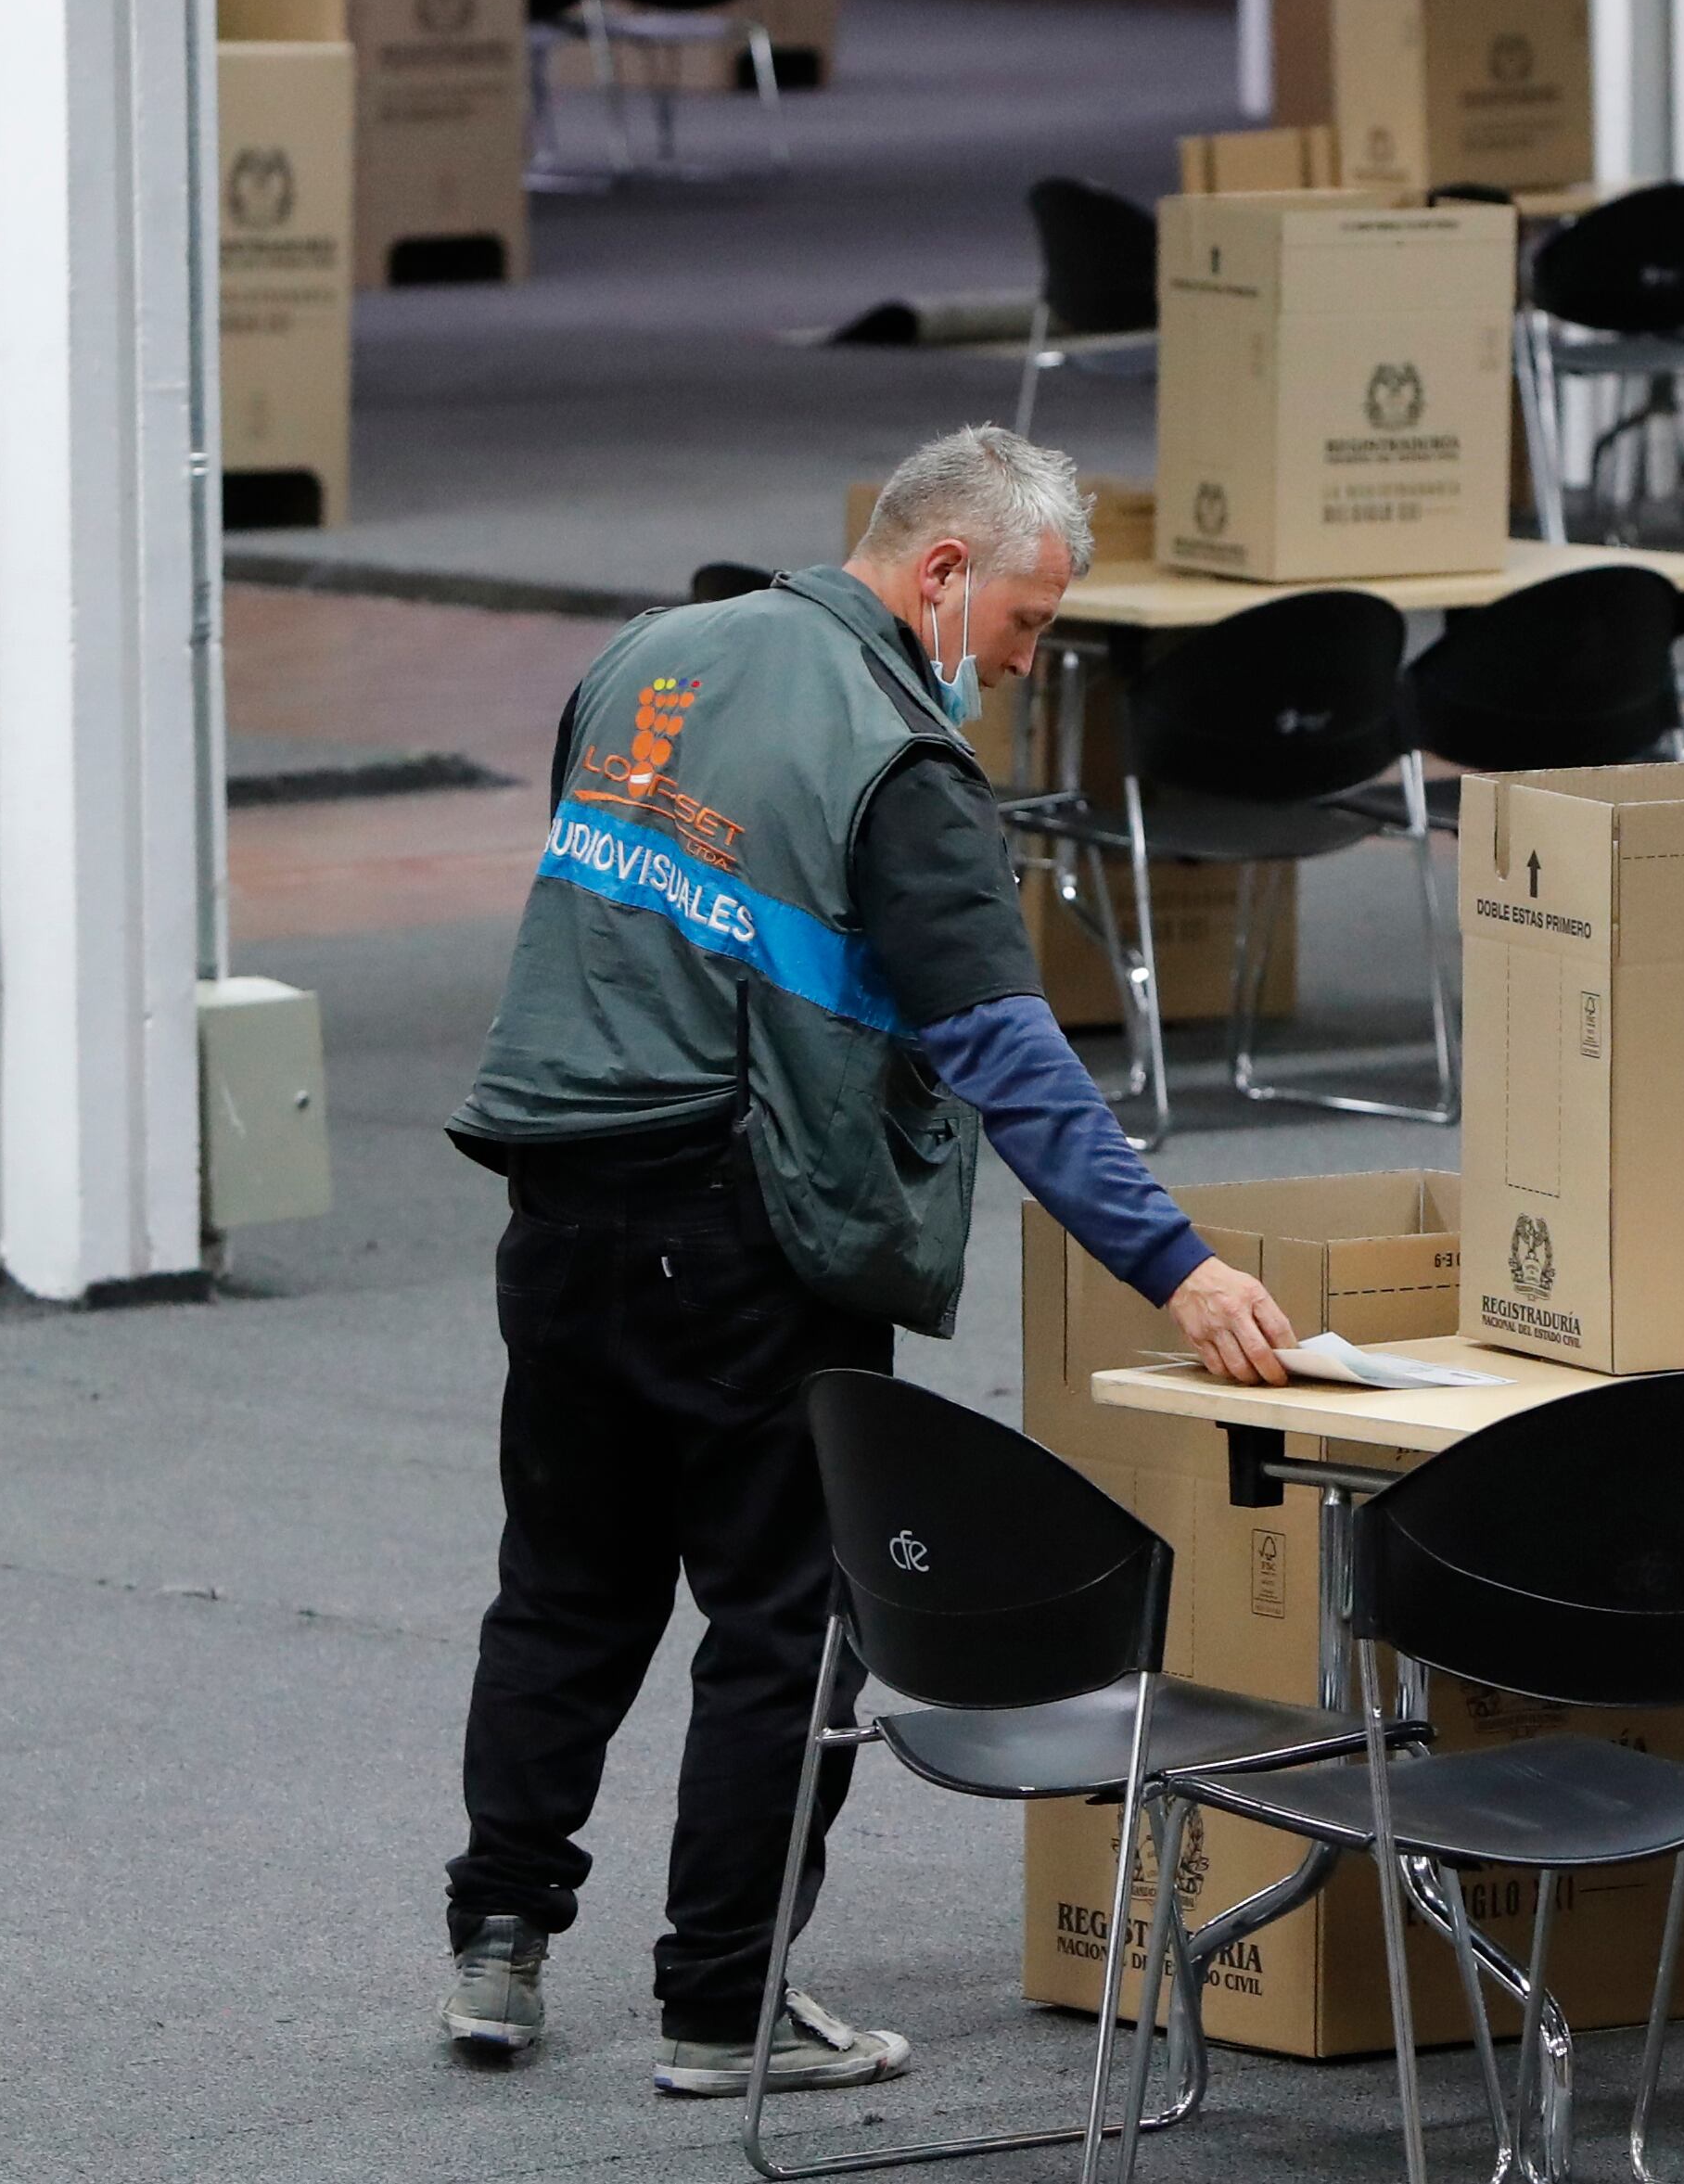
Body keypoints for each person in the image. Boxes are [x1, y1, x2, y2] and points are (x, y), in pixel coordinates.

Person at [438, 425, 1302, 2094]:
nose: (1028, 666)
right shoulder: (899, 761)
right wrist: (1176, 1264)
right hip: (749, 1225)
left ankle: (500, 1941)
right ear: (943, 572)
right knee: (785, 1620)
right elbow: (1007, 1054)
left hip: (555, 1204)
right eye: (1031, 626)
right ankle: (721, 2003)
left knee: (563, 1584)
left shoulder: (643, 657)